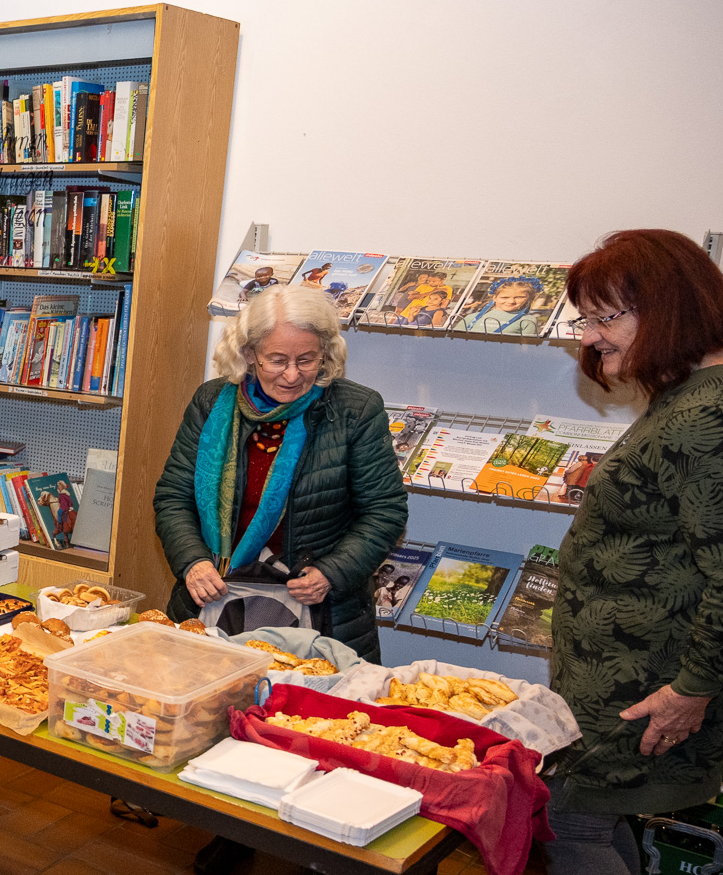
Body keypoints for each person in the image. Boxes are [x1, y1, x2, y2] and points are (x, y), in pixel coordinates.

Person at [154, 284, 408, 875]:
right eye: (277, 360)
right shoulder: (212, 402)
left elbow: (384, 512)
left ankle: (319, 842)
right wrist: (192, 560)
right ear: (247, 353)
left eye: (307, 359)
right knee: (224, 721)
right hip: (219, 594)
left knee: (311, 728)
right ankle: (232, 829)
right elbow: (173, 496)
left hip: (318, 606)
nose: (293, 375)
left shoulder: (354, 409)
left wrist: (333, 572)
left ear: (327, 354)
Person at [546, 229, 723, 875]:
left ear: (666, 309)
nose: (589, 337)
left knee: (566, 821)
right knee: (590, 821)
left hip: (645, 686)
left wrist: (692, 690)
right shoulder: (696, 393)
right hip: (623, 679)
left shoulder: (713, 413)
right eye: (585, 319)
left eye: (604, 318)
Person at [457, 275, 545, 334]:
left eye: (519, 297)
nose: (511, 301)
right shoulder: (471, 318)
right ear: (494, 297)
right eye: (505, 297)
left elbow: (525, 348)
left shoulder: (527, 320)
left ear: (528, 299)